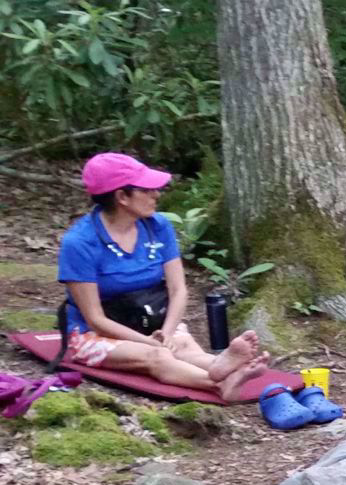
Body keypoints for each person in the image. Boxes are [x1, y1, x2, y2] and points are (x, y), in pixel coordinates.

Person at [56, 152, 269, 399]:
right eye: (146, 190)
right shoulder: (80, 242)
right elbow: (95, 319)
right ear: (122, 196)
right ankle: (219, 384)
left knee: (181, 346)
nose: (156, 194)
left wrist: (166, 333)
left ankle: (220, 365)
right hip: (93, 334)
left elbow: (178, 289)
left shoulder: (158, 226)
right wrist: (149, 343)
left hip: (152, 322)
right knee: (157, 355)